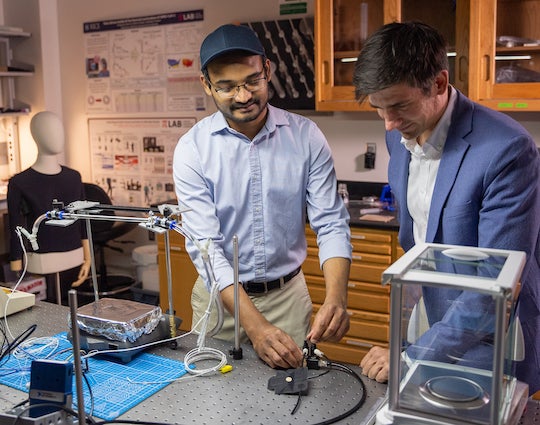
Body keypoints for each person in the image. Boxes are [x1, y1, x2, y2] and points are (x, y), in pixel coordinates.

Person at [351, 21, 540, 394]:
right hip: (435, 316)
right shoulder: (397, 131)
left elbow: (493, 285)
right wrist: (417, 343)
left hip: (495, 333)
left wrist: (412, 355)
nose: (389, 123)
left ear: (439, 83)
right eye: (379, 109)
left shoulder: (507, 150)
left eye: (400, 106)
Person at [173, 24, 352, 369]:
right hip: (220, 302)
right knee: (214, 402)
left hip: (288, 298)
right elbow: (207, 249)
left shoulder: (305, 137)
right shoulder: (192, 149)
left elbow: (330, 223)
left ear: (267, 70)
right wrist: (255, 328)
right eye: (226, 86)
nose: (242, 96)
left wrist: (336, 297)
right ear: (206, 84)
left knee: (297, 399)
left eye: (252, 81)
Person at [7, 111, 91, 303]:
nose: (57, 135)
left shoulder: (74, 177)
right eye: (49, 130)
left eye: (59, 129)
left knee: (68, 305)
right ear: (36, 136)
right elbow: (15, 228)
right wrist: (16, 269)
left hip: (75, 252)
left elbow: (82, 220)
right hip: (41, 256)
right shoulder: (20, 183)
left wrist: (88, 257)